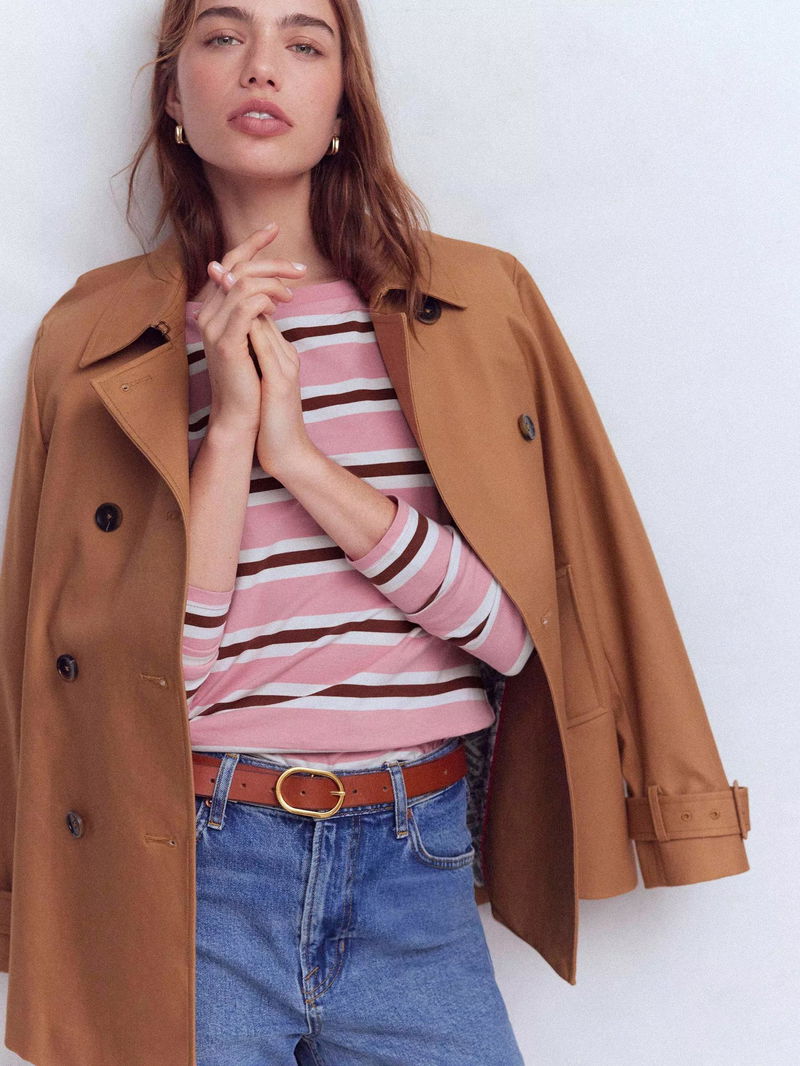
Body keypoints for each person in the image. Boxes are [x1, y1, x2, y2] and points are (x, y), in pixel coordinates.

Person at [0, 1, 751, 1064]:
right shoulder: (93, 339)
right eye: (223, 36)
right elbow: (150, 684)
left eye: (305, 43)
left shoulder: (475, 306)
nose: (263, 67)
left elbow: (517, 637)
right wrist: (229, 434)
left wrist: (302, 460)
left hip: (419, 869)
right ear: (172, 96)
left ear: (344, 104)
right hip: (195, 870)